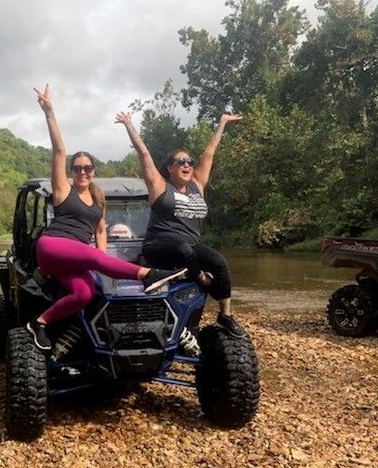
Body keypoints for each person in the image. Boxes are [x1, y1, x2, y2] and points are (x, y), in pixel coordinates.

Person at [27, 85, 186, 351]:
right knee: (94, 258)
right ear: (72, 171)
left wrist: (101, 260)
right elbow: (58, 151)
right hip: (53, 246)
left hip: (75, 259)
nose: (82, 172)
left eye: (87, 167)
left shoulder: (99, 198)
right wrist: (49, 112)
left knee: (85, 293)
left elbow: (100, 229)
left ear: (93, 170)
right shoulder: (63, 190)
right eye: (77, 168)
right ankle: (148, 275)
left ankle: (40, 323)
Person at [115, 110, 245, 337]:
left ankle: (225, 315)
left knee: (219, 261)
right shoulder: (161, 186)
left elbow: (210, 152)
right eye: (180, 161)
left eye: (189, 162)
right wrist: (128, 125)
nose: (187, 164)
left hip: (190, 248)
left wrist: (222, 122)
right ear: (169, 168)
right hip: (159, 245)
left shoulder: (197, 185)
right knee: (182, 248)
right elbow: (144, 154)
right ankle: (202, 279)